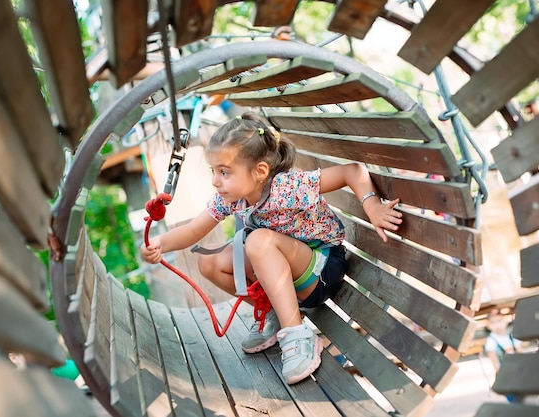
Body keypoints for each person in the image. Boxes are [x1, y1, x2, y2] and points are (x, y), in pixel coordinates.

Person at [140, 112, 402, 384]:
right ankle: (273, 314)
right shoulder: (232, 198)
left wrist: (372, 206)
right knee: (209, 261)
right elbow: (193, 231)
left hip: (321, 269)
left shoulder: (286, 186)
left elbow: (352, 171)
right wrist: (158, 243)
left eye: (224, 172)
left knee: (256, 240)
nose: (216, 181)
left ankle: (298, 336)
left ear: (260, 172)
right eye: (214, 171)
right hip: (286, 269)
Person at [484, 308, 523, 402]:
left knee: (522, 389)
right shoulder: (492, 340)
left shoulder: (511, 336)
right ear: (488, 326)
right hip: (505, 370)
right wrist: (498, 370)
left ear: (505, 321)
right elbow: (493, 356)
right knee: (512, 394)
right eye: (493, 322)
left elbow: (519, 351)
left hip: (517, 368)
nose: (497, 325)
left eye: (499, 321)